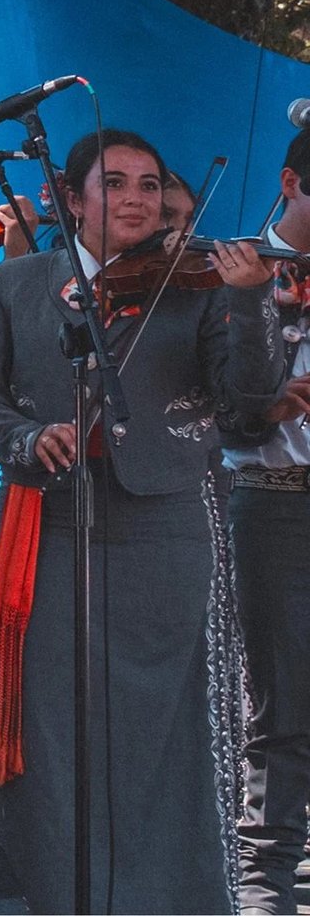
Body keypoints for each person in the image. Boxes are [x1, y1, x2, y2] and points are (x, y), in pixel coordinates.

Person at [0, 127, 284, 913]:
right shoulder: (13, 284)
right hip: (50, 524)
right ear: (72, 200)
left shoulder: (199, 286)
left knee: (159, 732)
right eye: (116, 183)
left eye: (148, 184)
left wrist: (249, 301)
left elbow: (247, 406)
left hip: (163, 530)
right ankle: (42, 895)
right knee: (46, 729)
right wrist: (28, 437)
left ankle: (166, 900)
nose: (136, 199)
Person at [222, 128, 310, 912]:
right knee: (281, 699)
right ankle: (265, 885)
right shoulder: (232, 271)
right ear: (290, 182)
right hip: (277, 499)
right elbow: (234, 416)